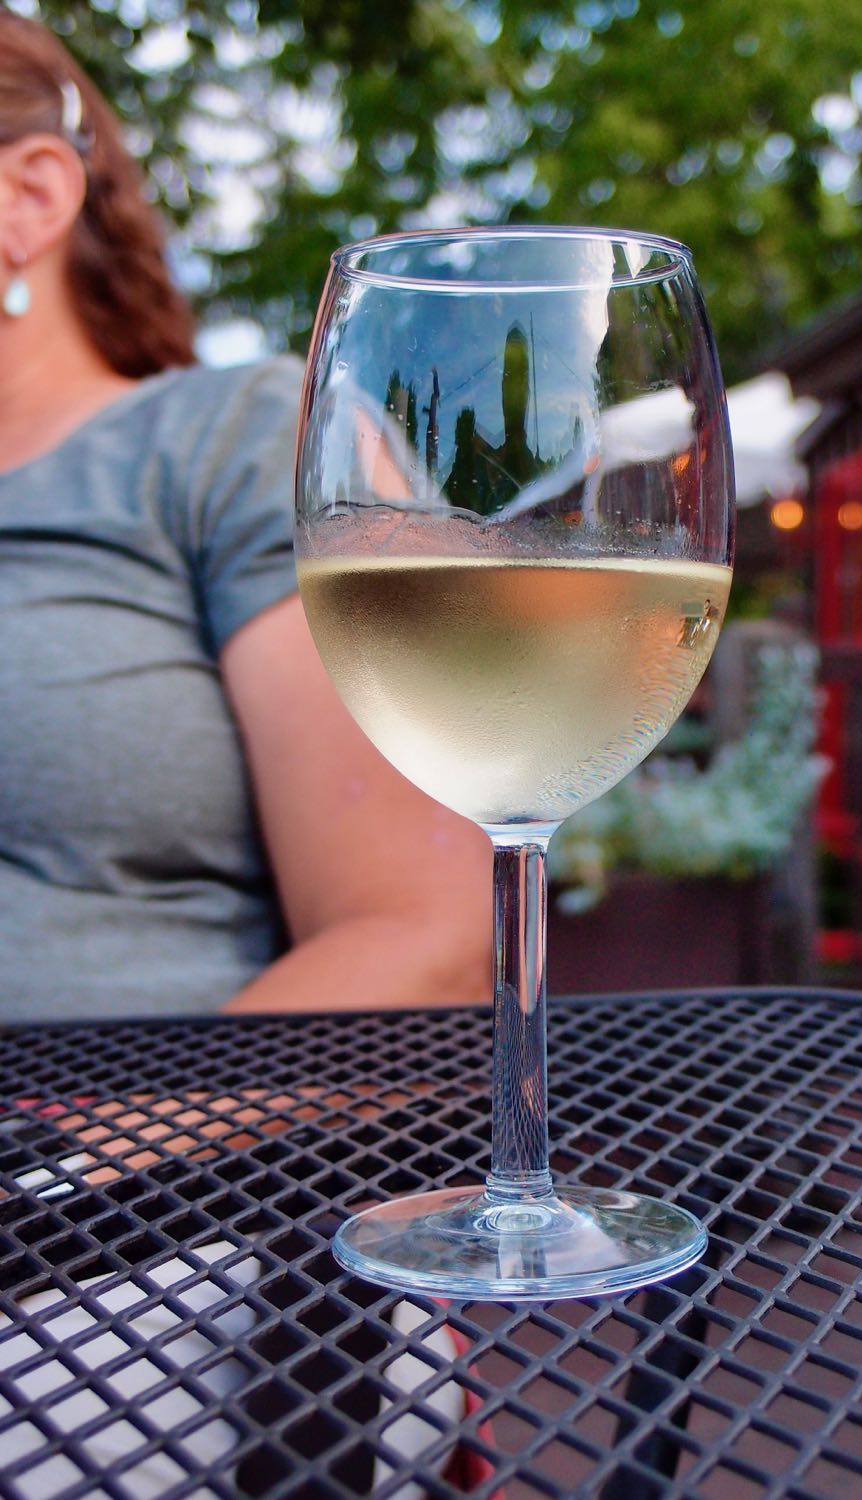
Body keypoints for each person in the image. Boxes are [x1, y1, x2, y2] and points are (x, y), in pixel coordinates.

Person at [0, 10, 492, 1022]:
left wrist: (75, 1163)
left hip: (115, 1163)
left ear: (27, 196)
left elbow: (425, 941)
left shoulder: (229, 439)